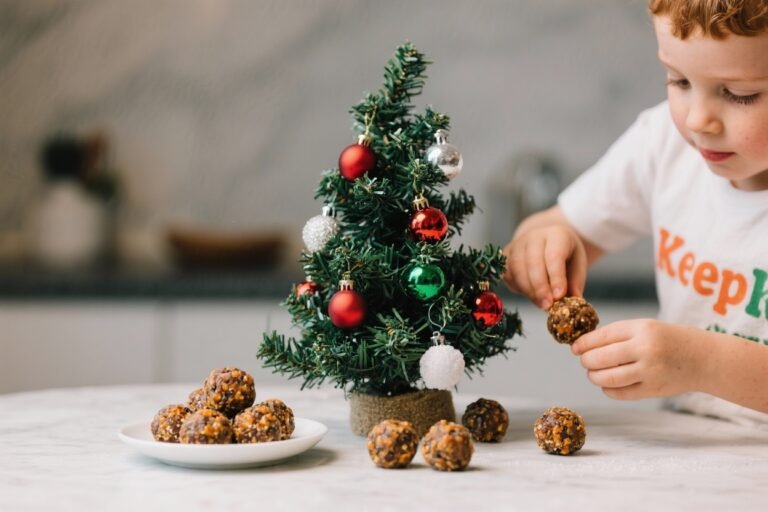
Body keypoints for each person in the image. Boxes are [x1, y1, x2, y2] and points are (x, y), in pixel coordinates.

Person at [502, 0, 768, 425]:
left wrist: (702, 362)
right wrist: (542, 243)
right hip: (691, 440)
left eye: (740, 94)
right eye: (678, 80)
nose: (699, 120)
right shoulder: (663, 143)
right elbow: (561, 228)